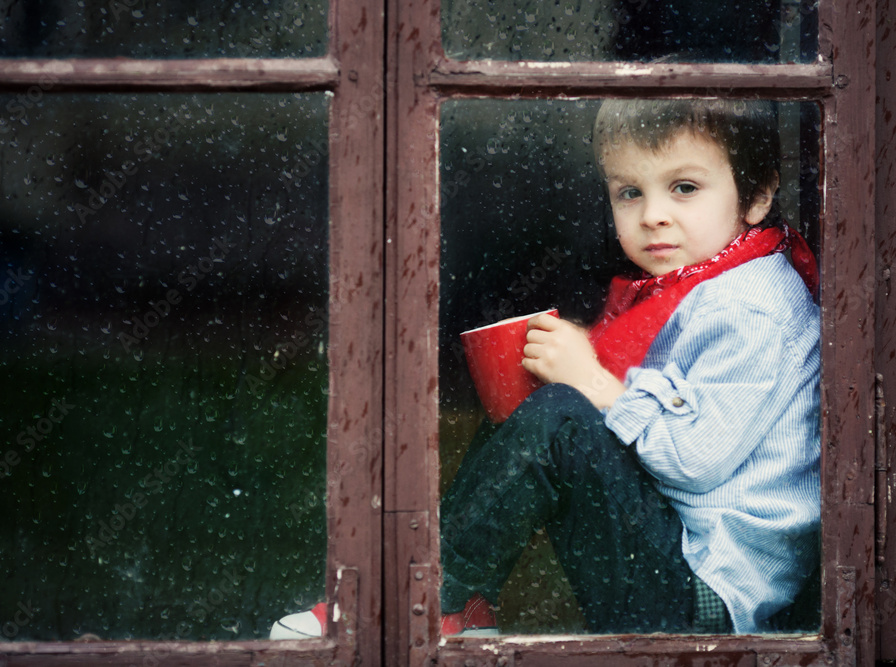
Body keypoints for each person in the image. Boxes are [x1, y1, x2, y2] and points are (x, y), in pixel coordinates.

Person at [270, 97, 820, 638]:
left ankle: (405, 602)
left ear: (758, 193)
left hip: (706, 600)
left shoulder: (754, 306)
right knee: (538, 399)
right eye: (630, 192)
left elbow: (696, 459)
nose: (653, 214)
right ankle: (457, 603)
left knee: (559, 411)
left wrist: (592, 382)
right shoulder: (698, 285)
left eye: (684, 188)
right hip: (671, 554)